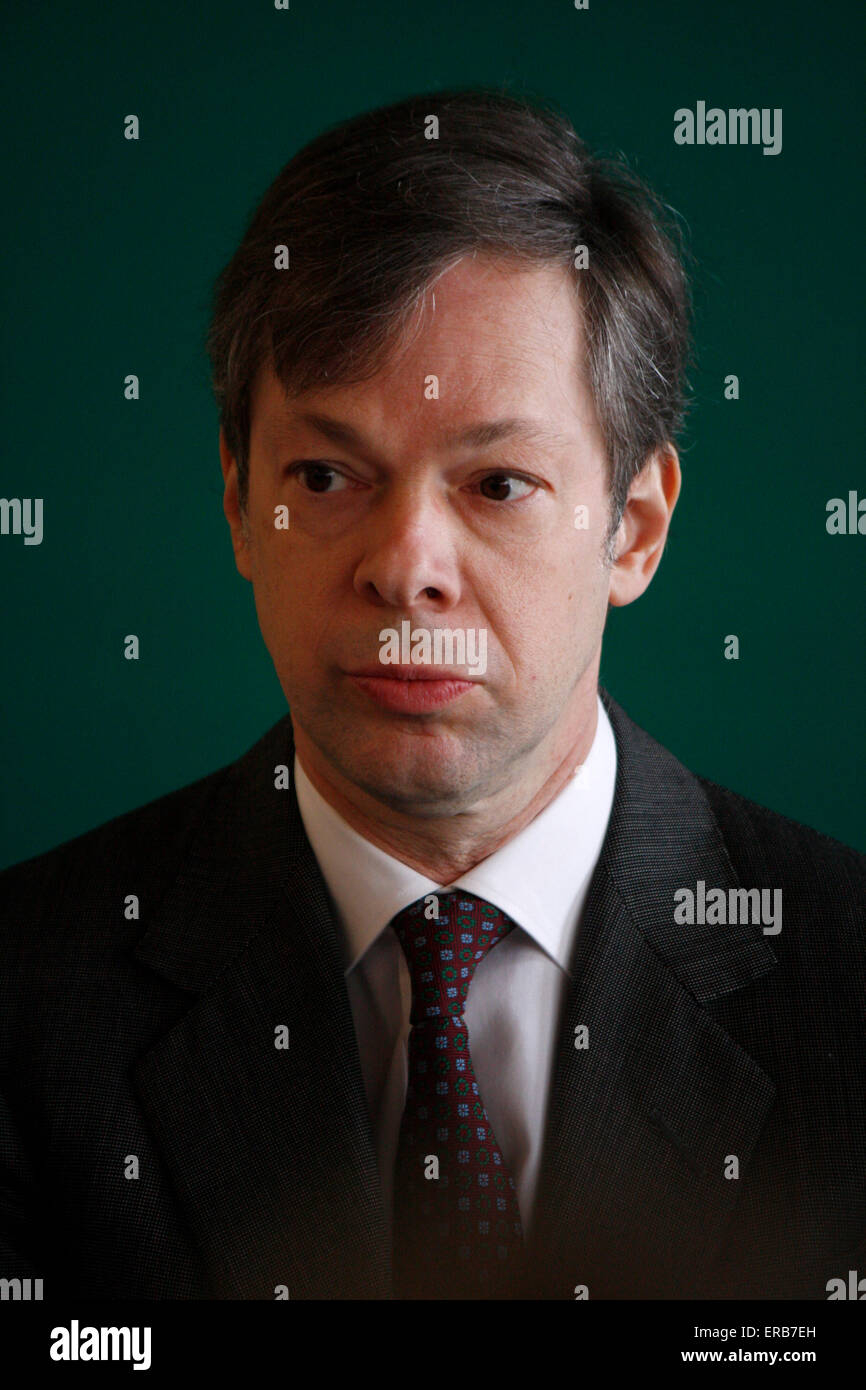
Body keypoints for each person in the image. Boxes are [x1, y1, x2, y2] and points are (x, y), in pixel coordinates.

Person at [1, 87, 863, 1302]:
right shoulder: (25, 1002)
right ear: (240, 501)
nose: (405, 562)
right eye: (326, 472)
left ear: (633, 527)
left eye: (498, 482)